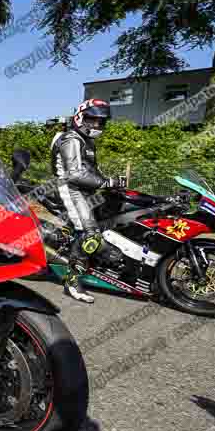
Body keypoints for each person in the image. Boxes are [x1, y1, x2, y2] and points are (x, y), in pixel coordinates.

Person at [49, 99, 125, 303]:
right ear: (80, 117)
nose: (96, 125)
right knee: (90, 234)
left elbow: (91, 170)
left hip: (84, 190)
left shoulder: (86, 140)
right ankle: (72, 282)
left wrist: (109, 183)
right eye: (92, 120)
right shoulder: (72, 139)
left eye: (101, 122)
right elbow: (74, 173)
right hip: (70, 189)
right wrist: (106, 182)